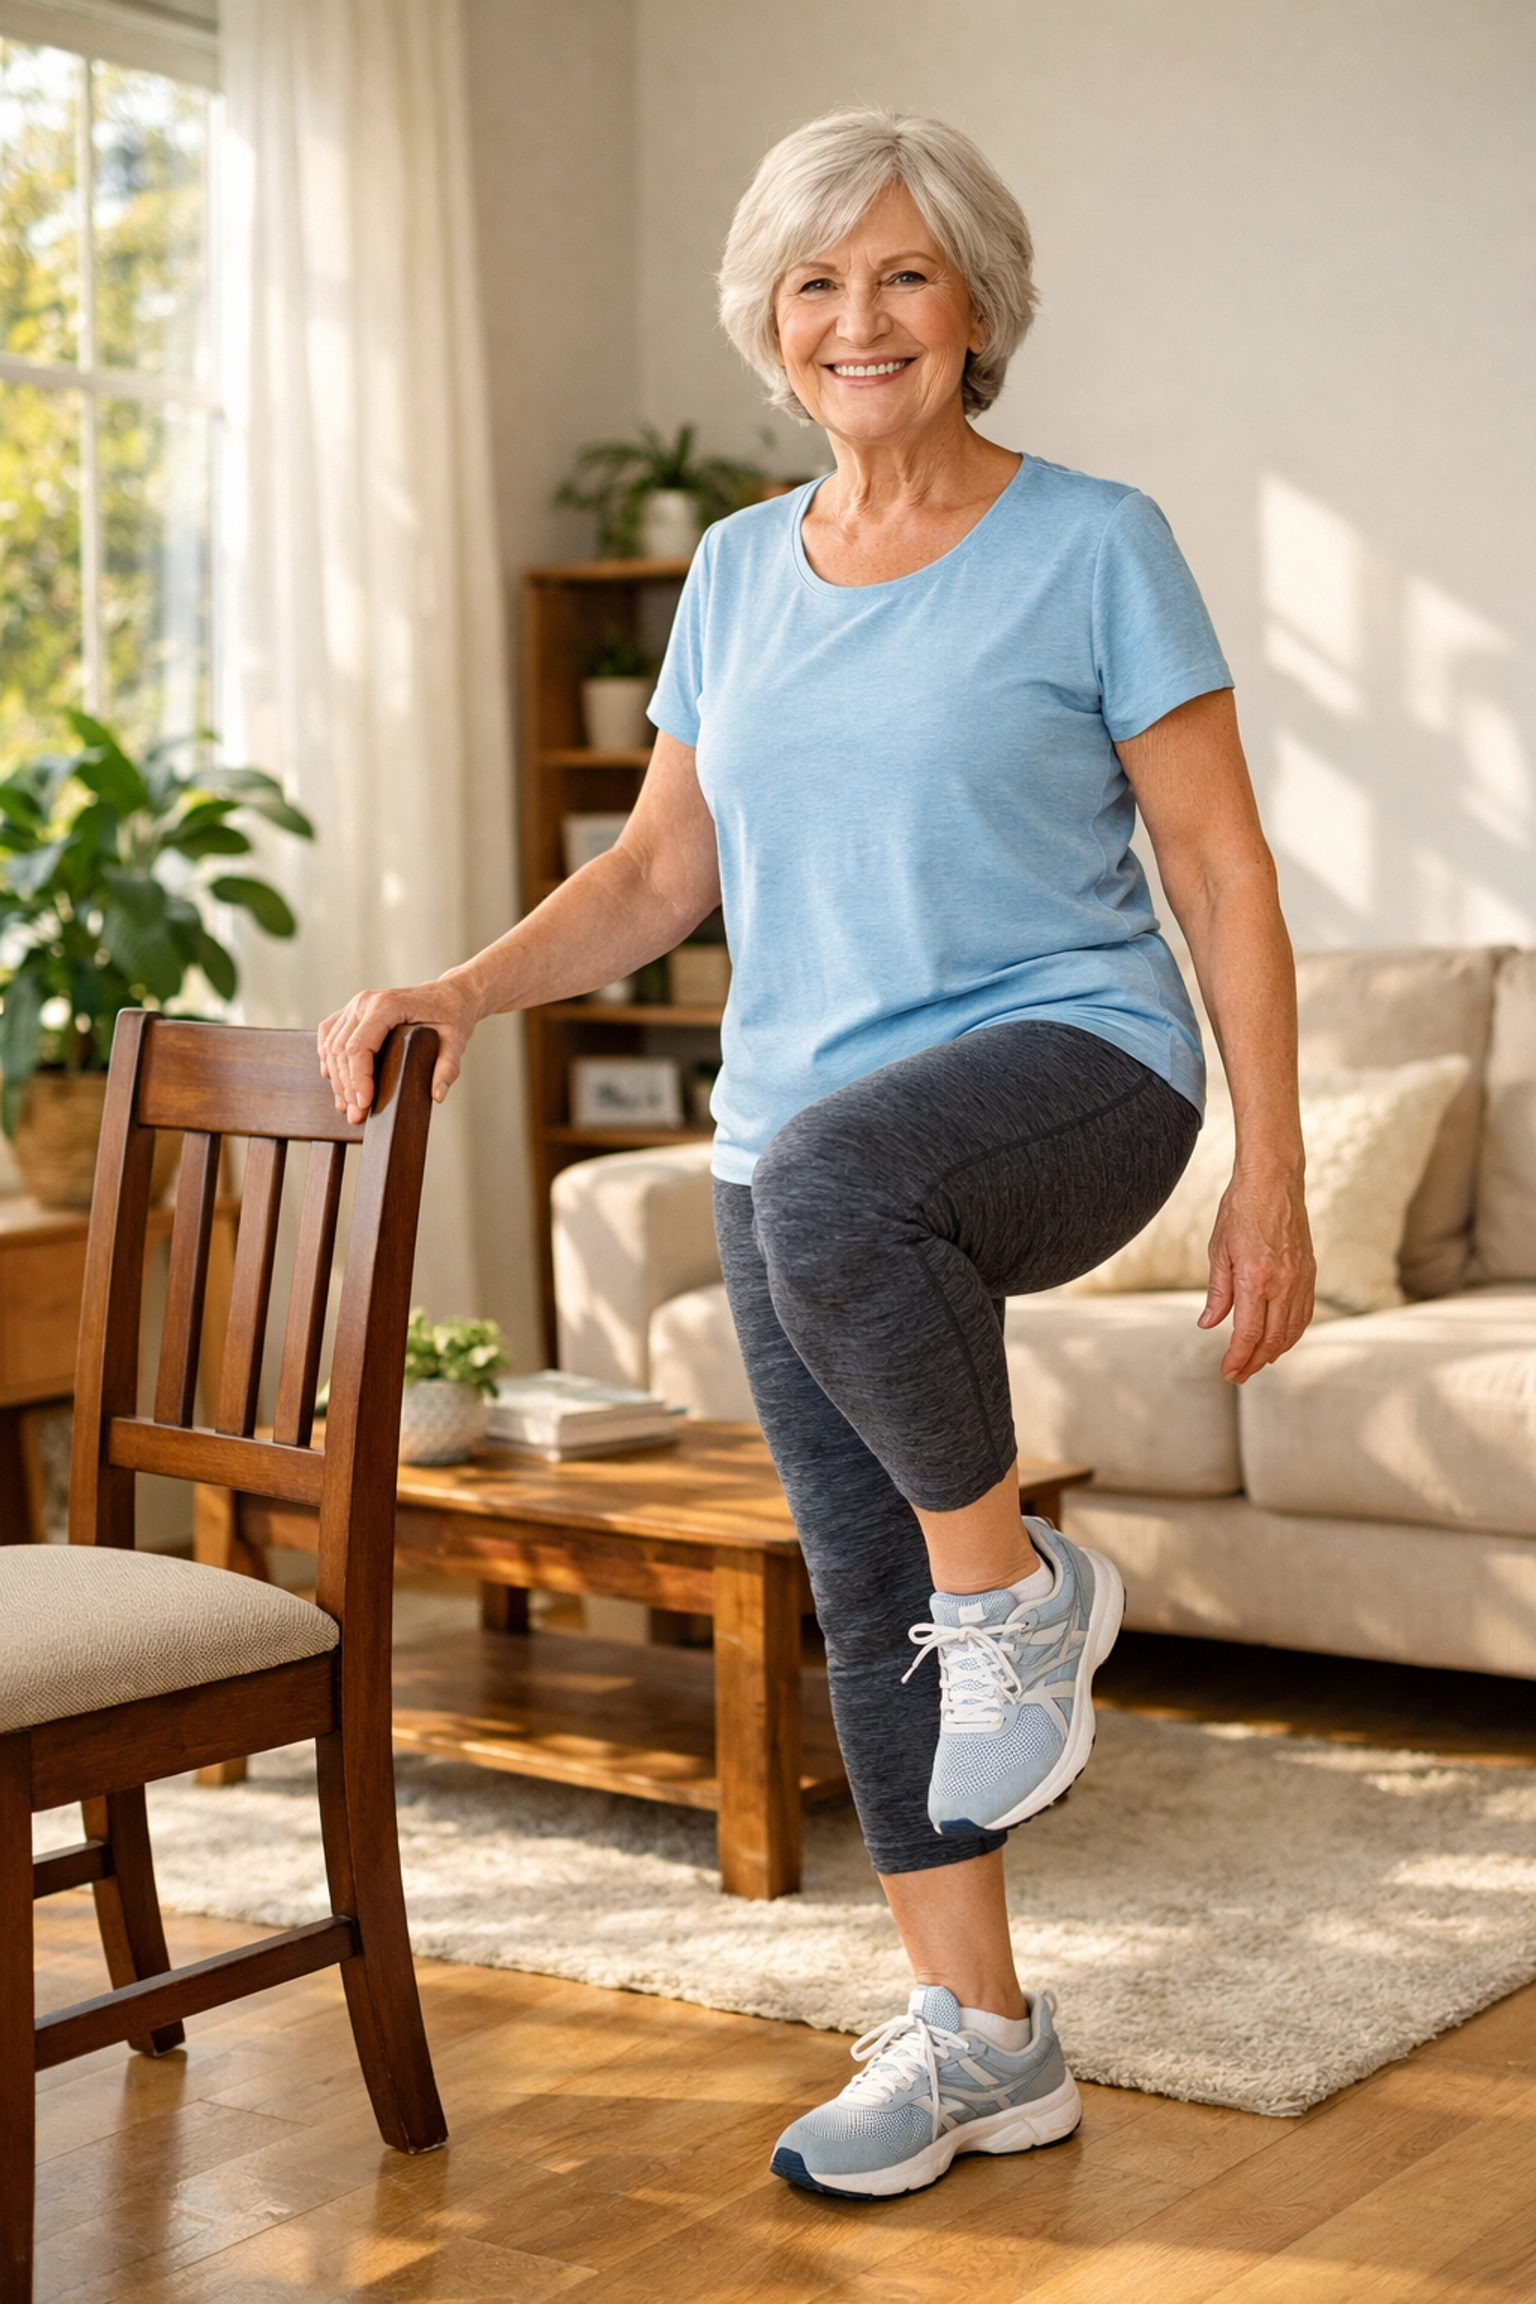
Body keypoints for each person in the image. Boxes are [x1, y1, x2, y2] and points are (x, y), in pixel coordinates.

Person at [319, 105, 1315, 2203]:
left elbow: (1220, 876)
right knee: (866, 1599)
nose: (858, 318)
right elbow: (658, 870)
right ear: (771, 326)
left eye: (903, 275)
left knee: (863, 1225)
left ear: (976, 311)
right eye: (815, 283)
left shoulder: (1095, 540)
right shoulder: (738, 571)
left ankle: (1023, 1591)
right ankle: (983, 2040)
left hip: (1077, 1073)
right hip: (801, 1141)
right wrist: (459, 992)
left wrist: (1274, 1169)